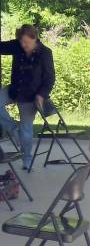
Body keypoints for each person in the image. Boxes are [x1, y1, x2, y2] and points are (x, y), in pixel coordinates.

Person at [0, 24, 55, 170]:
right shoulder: (17, 46)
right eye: (21, 42)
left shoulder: (45, 53)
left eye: (26, 42)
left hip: (31, 96)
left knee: (26, 128)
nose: (23, 45)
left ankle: (27, 158)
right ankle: (12, 129)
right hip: (14, 90)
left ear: (34, 38)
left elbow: (50, 78)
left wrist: (41, 95)